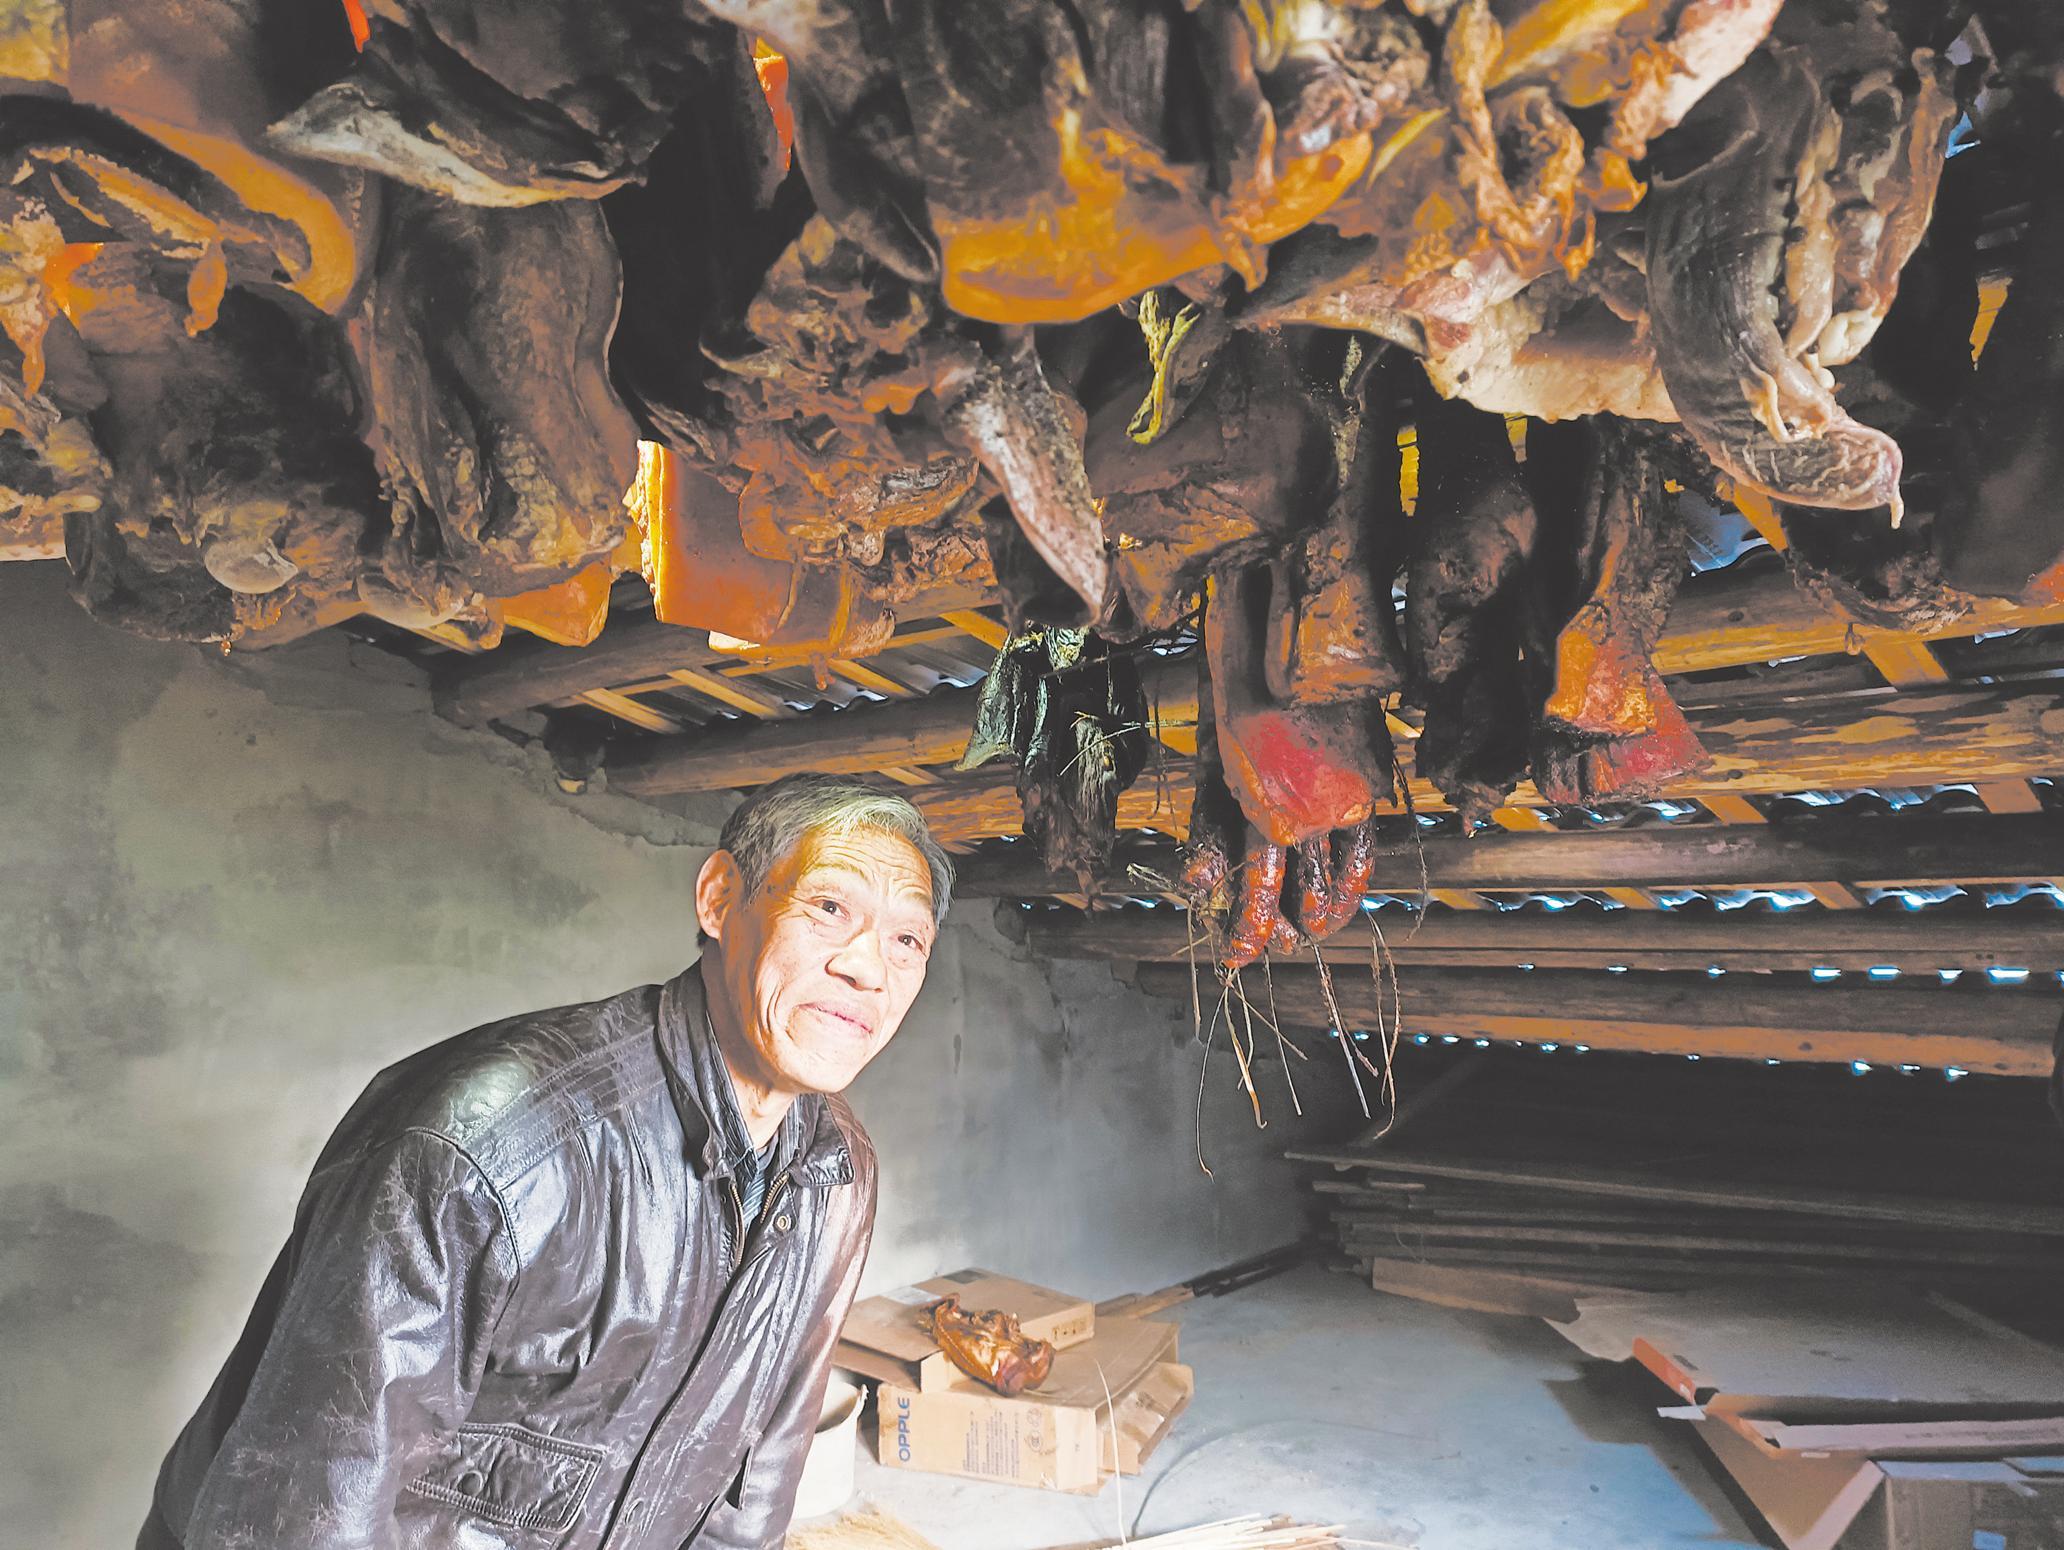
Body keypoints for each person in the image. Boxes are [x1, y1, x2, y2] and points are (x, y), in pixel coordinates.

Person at [139, 773, 952, 1549]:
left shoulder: (836, 1172)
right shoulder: (490, 1139)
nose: (868, 969)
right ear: (718, 899)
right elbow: (309, 1507)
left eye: (907, 939)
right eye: (829, 907)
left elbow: (759, 1477)